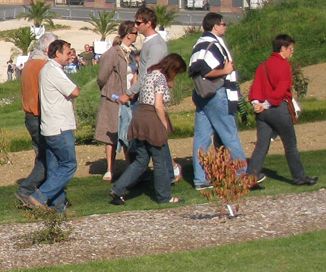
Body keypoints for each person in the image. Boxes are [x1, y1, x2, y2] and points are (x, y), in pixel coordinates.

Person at [109, 54, 187, 206]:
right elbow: (158, 105)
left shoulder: (149, 74)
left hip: (139, 117)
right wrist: (164, 125)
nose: (175, 75)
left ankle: (118, 189)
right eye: (176, 72)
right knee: (160, 161)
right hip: (152, 119)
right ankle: (164, 197)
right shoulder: (160, 78)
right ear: (172, 68)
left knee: (141, 160)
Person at [246, 35, 318, 186]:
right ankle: (299, 177)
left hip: (262, 113)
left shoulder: (263, 65)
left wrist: (258, 104)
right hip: (277, 109)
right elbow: (281, 90)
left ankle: (251, 177)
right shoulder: (284, 65)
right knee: (290, 145)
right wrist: (267, 103)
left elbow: (255, 90)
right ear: (283, 48)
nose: (292, 52)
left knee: (262, 145)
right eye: (291, 49)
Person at [188, 12, 249, 191]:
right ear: (215, 26)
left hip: (202, 95)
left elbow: (195, 68)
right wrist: (225, 70)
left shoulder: (199, 43)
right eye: (223, 24)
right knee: (229, 133)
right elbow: (205, 71)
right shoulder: (212, 44)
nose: (225, 27)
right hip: (216, 94)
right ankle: (241, 173)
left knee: (202, 138)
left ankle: (201, 179)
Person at [19, 40, 79, 213]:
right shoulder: (53, 70)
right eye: (68, 53)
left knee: (53, 167)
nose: (70, 56)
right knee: (69, 164)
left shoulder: (47, 69)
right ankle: (39, 197)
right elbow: (75, 91)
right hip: (59, 126)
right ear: (57, 53)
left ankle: (58, 207)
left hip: (49, 126)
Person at [15, 33, 56, 203]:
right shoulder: (42, 66)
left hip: (30, 115)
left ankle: (49, 194)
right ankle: (27, 190)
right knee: (49, 158)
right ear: (49, 49)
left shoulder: (30, 63)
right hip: (40, 116)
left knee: (43, 155)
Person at [95, 22, 136, 181]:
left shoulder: (133, 53)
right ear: (128, 34)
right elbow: (102, 76)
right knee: (111, 133)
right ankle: (110, 169)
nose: (136, 36)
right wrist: (108, 91)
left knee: (128, 133)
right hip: (113, 98)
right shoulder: (112, 53)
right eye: (135, 33)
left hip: (130, 97)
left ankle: (130, 166)